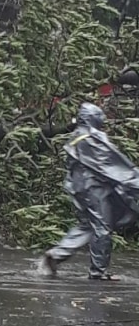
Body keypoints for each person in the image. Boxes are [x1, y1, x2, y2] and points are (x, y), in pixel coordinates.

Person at [41, 102, 139, 280]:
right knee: (101, 227)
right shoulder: (91, 137)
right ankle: (98, 272)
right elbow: (112, 163)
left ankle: (56, 255)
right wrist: (134, 179)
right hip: (94, 188)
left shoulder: (77, 136)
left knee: (88, 225)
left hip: (82, 188)